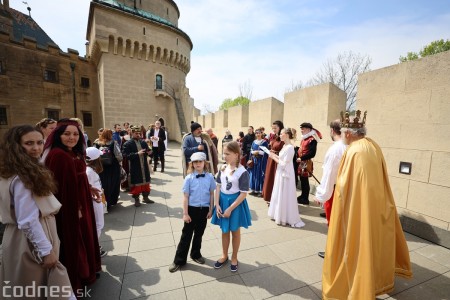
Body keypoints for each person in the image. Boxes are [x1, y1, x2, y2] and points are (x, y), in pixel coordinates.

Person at [322, 111, 412, 299]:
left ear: (347, 133)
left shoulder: (354, 151)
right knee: (373, 244)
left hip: (358, 208)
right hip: (375, 205)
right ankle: (375, 281)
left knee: (358, 247)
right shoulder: (372, 145)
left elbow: (345, 187)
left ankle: (356, 286)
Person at [0, 125, 74, 299]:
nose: (36, 148)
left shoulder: (13, 171)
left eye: (40, 142)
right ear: (16, 146)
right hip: (30, 239)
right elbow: (27, 220)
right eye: (29, 143)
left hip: (19, 236)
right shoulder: (22, 177)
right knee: (38, 287)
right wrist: (46, 251)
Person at [44, 118, 101, 293]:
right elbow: (60, 187)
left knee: (86, 236)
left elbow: (76, 178)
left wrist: (88, 187)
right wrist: (75, 208)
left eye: (75, 134)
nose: (72, 137)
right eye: (67, 134)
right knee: (77, 240)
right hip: (72, 207)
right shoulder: (59, 156)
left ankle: (88, 271)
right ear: (58, 135)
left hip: (82, 200)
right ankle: (79, 277)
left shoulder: (72, 153)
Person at [169, 152, 216, 273]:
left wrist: (211, 209)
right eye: (195, 162)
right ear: (192, 164)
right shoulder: (188, 178)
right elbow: (185, 196)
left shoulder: (210, 177)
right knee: (186, 235)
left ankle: (195, 254)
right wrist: (185, 213)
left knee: (199, 234)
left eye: (200, 161)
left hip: (204, 210)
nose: (198, 164)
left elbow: (212, 194)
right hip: (192, 209)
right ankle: (179, 260)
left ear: (205, 163)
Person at [211, 141, 252, 272]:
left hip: (235, 204)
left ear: (236, 154)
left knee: (235, 231)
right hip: (222, 201)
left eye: (227, 153)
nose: (224, 156)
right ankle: (224, 255)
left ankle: (234, 257)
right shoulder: (222, 168)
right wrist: (217, 204)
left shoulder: (242, 172)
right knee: (224, 230)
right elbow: (218, 186)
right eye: (223, 153)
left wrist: (230, 208)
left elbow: (243, 194)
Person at [268, 128, 305, 228]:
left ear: (287, 135)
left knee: (285, 193)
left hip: (286, 173)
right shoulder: (284, 146)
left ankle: (285, 216)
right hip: (281, 172)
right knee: (280, 192)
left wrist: (273, 157)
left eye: (281, 134)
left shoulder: (290, 148)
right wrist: (274, 155)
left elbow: (284, 163)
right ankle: (279, 214)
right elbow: (282, 159)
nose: (280, 135)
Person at [313, 120, 347, 225]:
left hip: (336, 191)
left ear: (332, 131)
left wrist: (320, 195)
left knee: (334, 225)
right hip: (348, 190)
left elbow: (329, 174)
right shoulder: (350, 145)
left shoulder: (335, 149)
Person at [85, 147, 108, 258]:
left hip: (97, 199)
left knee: (98, 225)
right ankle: (94, 248)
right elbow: (87, 188)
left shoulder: (90, 170)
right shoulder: (89, 172)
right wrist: (95, 198)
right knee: (98, 225)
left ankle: (95, 246)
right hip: (95, 201)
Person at [122, 125, 152, 207]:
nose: (138, 135)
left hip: (144, 166)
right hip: (135, 166)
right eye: (136, 133)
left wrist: (149, 152)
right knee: (137, 183)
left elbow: (148, 151)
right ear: (132, 133)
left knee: (146, 182)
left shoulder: (143, 142)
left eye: (139, 133)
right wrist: (137, 154)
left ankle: (145, 198)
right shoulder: (127, 143)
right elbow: (125, 155)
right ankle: (136, 199)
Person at [93, 129, 122, 208]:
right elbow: (119, 155)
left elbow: (93, 154)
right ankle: (110, 202)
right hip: (112, 167)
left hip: (101, 167)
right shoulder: (113, 142)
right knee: (113, 184)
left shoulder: (96, 142)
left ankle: (103, 202)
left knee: (103, 184)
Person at [296, 122, 322, 205]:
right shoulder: (304, 139)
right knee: (302, 180)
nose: (301, 130)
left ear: (309, 130)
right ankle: (302, 195)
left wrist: (302, 158)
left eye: (303, 129)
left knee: (305, 180)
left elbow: (312, 153)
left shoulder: (312, 140)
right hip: (301, 162)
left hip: (306, 162)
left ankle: (305, 198)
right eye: (301, 129)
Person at [262, 120, 284, 203]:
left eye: (275, 128)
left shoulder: (283, 137)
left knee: (275, 179)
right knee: (270, 178)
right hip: (271, 159)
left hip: (277, 160)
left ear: (280, 127)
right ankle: (270, 197)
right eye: (273, 128)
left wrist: (275, 153)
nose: (274, 130)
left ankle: (275, 199)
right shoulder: (274, 136)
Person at [247, 128, 269, 197]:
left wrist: (259, 152)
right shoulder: (254, 142)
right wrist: (253, 152)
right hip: (254, 160)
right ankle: (254, 190)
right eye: (256, 133)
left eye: (259, 133)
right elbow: (251, 150)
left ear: (262, 133)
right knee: (253, 175)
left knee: (259, 175)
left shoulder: (264, 142)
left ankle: (260, 191)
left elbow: (266, 152)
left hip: (261, 161)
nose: (258, 134)